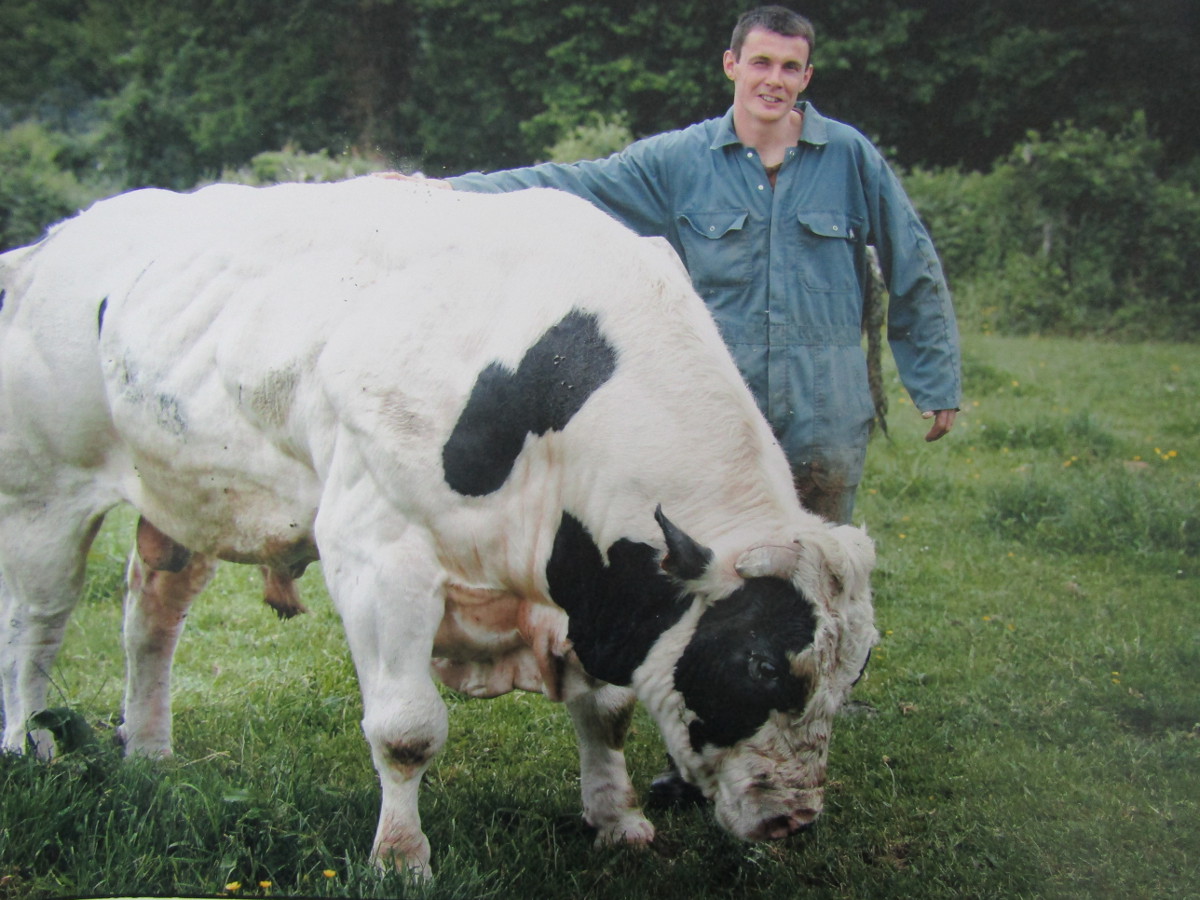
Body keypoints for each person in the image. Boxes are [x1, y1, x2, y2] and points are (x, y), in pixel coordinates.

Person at [420, 5, 961, 528]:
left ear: (806, 76)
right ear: (732, 65)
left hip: (827, 419)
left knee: (820, 567)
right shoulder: (680, 160)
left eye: (789, 67)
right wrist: (447, 190)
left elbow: (912, 261)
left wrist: (936, 381)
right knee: (721, 568)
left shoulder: (849, 157)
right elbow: (575, 183)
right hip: (719, 422)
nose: (774, 80)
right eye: (761, 63)